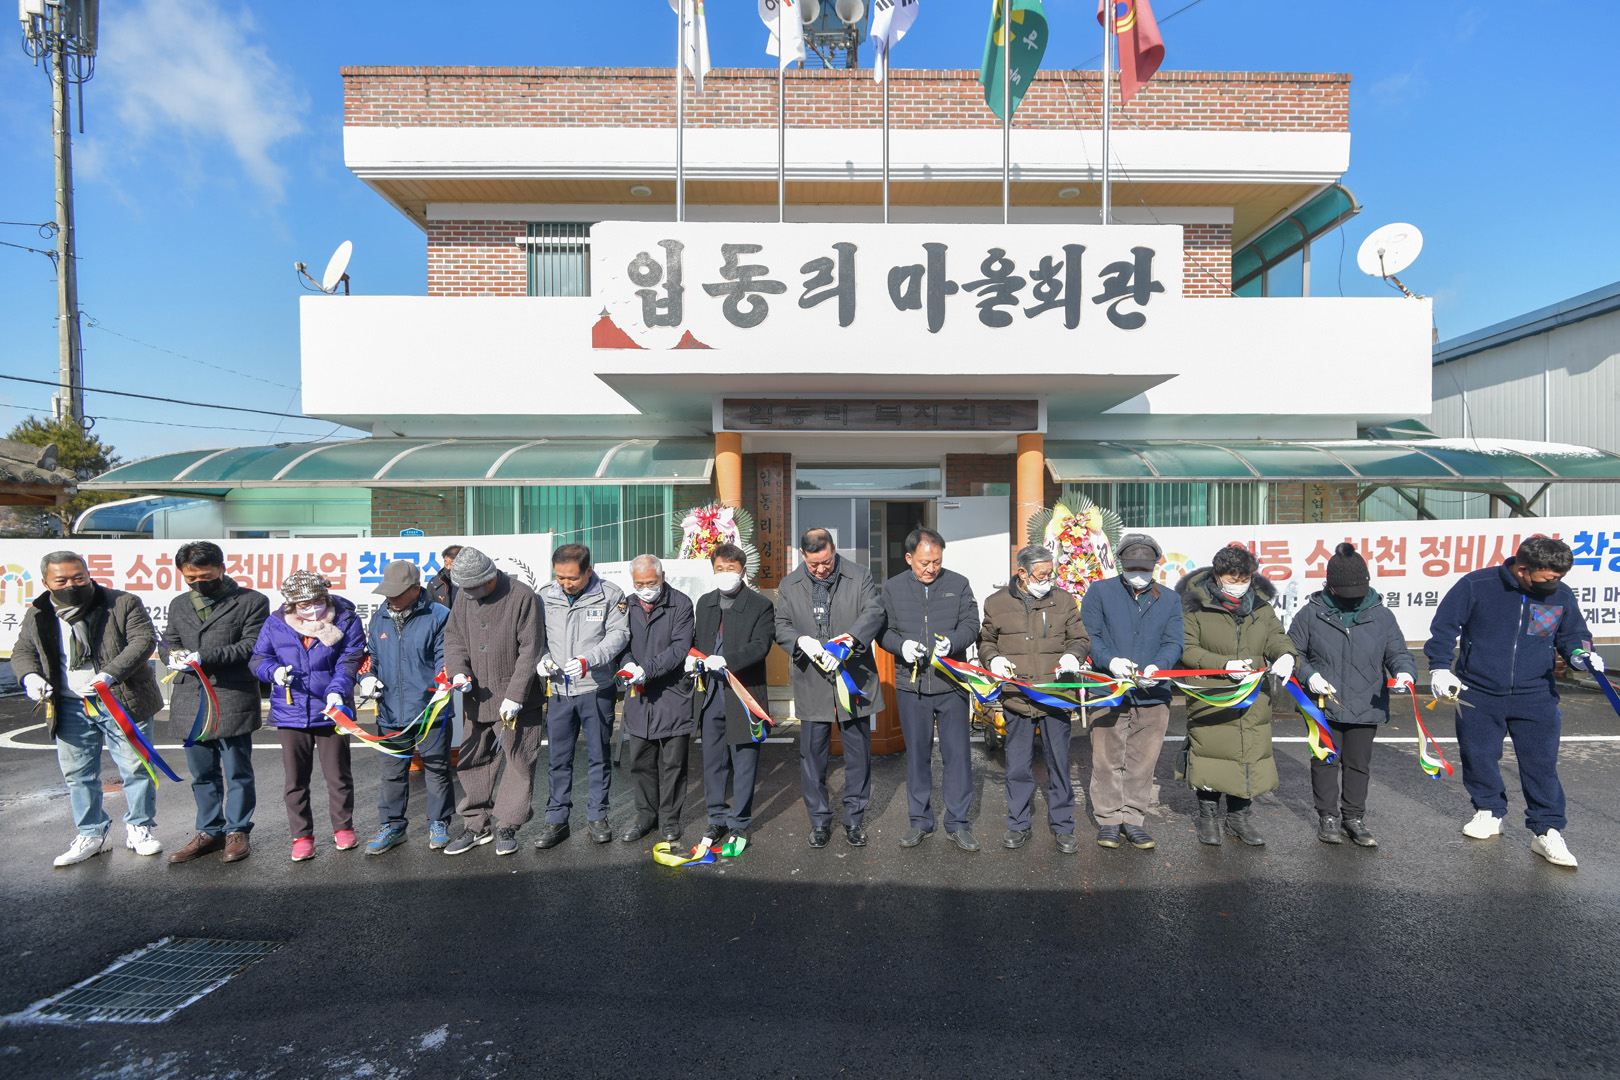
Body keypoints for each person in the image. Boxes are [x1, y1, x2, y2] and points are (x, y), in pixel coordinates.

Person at [1424, 536, 1600, 868]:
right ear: (1523, 569)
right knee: (1478, 755)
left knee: (1541, 764)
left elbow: (1573, 635)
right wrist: (1439, 668)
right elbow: (1445, 627)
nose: (1556, 583)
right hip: (1478, 690)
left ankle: (1547, 830)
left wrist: (1581, 654)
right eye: (1549, 577)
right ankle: (1489, 811)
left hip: (1536, 695)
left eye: (1561, 576)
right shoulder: (1477, 585)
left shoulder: (1560, 595)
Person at [10, 550, 166, 867]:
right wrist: (29, 677)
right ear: (46, 583)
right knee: (78, 774)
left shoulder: (121, 602)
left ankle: (139, 827)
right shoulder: (38, 612)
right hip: (69, 704)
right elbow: (23, 650)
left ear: (88, 574)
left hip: (122, 698)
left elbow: (143, 640)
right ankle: (92, 834)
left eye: (79, 577)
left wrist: (110, 674)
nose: (72, 585)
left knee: (136, 767)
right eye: (62, 581)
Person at [1288, 543, 1417, 848]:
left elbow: (1398, 653)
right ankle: (1328, 816)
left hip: (1366, 702)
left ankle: (1354, 817)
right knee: (1325, 760)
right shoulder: (1310, 614)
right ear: (1330, 585)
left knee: (1359, 763)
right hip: (1322, 703)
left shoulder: (1382, 616)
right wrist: (1309, 676)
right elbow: (1292, 652)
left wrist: (1405, 672)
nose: (1352, 598)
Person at [1176, 543, 1298, 847]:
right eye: (1233, 579)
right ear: (1218, 576)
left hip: (1252, 694)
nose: (1239, 584)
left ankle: (1238, 818)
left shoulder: (1261, 606)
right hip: (1212, 693)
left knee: (1248, 754)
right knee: (1210, 754)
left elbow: (1276, 637)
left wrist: (1285, 655)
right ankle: (1208, 818)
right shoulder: (1195, 606)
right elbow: (1187, 649)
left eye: (1245, 578)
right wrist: (1223, 664)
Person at [774, 528, 886, 849]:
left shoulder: (859, 575)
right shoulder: (789, 584)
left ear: (834, 549)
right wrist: (801, 641)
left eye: (826, 561)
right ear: (802, 556)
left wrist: (850, 640)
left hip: (853, 674)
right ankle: (820, 821)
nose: (822, 569)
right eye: (814, 564)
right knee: (812, 754)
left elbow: (874, 612)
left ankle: (854, 819)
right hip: (813, 677)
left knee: (858, 753)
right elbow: (781, 626)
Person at [162, 542, 270, 865]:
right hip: (190, 698)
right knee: (202, 773)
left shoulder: (251, 601)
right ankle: (209, 830)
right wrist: (173, 655)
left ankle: (237, 830)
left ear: (221, 568)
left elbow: (251, 646)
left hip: (230, 696)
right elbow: (170, 640)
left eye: (205, 576)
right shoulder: (179, 604)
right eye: (191, 578)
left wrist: (203, 656)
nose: (199, 583)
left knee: (237, 771)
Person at [979, 545, 1090, 854]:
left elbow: (1080, 638)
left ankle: (1063, 826)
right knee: (1017, 766)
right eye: (1042, 575)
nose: (1048, 580)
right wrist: (993, 659)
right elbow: (985, 641)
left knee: (1059, 764)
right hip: (1017, 697)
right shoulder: (996, 603)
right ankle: (1018, 823)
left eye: (1051, 574)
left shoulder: (1063, 600)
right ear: (1023, 573)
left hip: (1055, 695)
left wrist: (1074, 654)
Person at [251, 570, 367, 862]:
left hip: (331, 710)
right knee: (295, 780)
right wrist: (273, 672)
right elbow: (259, 658)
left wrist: (338, 691)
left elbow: (349, 659)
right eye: (304, 604)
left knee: (338, 775)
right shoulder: (276, 623)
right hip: (290, 711)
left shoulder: (345, 619)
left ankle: (344, 828)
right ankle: (302, 837)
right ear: (291, 604)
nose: (313, 608)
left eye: (318, 601)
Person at [1079, 532, 1184, 851]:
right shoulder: (1099, 592)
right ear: (1121, 564)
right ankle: (1109, 819)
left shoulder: (1169, 599)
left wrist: (1159, 667)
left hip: (1153, 693)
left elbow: (1174, 641)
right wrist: (1110, 662)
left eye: (1145, 569)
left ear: (1155, 566)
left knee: (1143, 760)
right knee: (1106, 757)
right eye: (1132, 568)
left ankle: (1134, 818)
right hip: (1108, 688)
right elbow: (1090, 635)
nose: (1138, 574)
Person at [879, 527, 982, 851]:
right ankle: (920, 821)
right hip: (912, 687)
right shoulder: (893, 588)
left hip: (951, 684)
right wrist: (901, 645)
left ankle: (958, 822)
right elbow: (883, 631)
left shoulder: (958, 584)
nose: (931, 568)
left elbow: (972, 624)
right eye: (924, 563)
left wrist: (954, 641)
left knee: (957, 755)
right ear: (909, 558)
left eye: (936, 562)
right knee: (917, 756)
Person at [442, 546, 547, 856]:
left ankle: (508, 825)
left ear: (489, 577)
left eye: (474, 587)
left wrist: (516, 695)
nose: (469, 593)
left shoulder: (522, 595)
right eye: (464, 588)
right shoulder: (464, 597)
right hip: (478, 695)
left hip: (518, 700)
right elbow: (454, 638)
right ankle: (476, 824)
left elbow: (530, 649)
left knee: (519, 761)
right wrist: (458, 672)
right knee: (473, 760)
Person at [533, 544, 629, 850]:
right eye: (560, 577)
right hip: (559, 691)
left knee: (599, 756)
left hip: (596, 688)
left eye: (572, 578)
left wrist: (590, 659)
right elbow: (536, 637)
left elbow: (619, 635)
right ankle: (556, 819)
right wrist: (543, 659)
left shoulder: (610, 595)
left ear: (588, 571)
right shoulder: (545, 595)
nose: (566, 584)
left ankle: (598, 816)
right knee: (558, 759)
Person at [358, 560, 453, 855]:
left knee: (436, 769)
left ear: (415, 588)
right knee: (392, 773)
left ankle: (439, 822)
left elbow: (446, 658)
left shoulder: (439, 615)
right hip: (389, 711)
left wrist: (443, 684)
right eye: (388, 593)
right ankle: (393, 825)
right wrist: (366, 677)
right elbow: (371, 657)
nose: (392, 598)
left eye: (398, 593)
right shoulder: (380, 618)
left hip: (429, 709)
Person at [690, 543, 775, 850]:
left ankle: (740, 823)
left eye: (731, 569)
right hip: (711, 693)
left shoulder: (760, 605)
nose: (725, 574)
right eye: (719, 569)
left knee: (744, 761)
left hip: (743, 692)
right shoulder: (705, 602)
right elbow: (698, 640)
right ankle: (717, 819)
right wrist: (693, 659)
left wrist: (728, 660)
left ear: (743, 571)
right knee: (713, 761)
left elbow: (761, 646)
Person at [618, 555, 696, 844]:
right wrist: (628, 665)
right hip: (638, 697)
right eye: (639, 584)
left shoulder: (681, 603)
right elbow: (620, 643)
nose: (645, 589)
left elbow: (679, 648)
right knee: (640, 761)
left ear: (662, 578)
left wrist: (647, 670)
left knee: (674, 763)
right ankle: (645, 817)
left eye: (651, 582)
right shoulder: (627, 605)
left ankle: (671, 819)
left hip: (672, 693)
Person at [425, 545, 461, 609]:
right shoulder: (434, 584)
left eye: (452, 564)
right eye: (446, 564)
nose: (448, 568)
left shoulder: (472, 582)